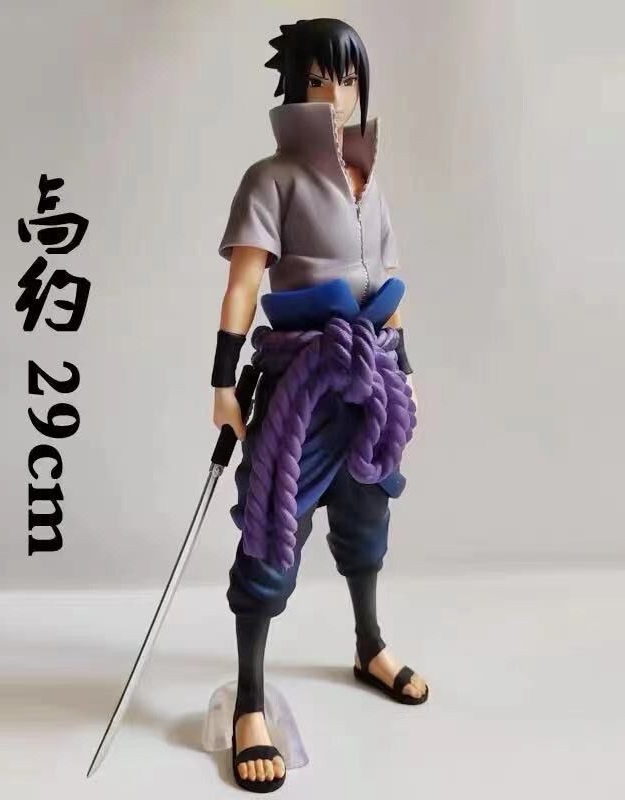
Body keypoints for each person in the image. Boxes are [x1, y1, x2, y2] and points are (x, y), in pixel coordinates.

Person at [211, 18, 429, 792]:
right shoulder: (271, 178)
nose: (335, 95)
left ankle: (369, 644)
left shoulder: (372, 183)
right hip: (302, 383)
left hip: (369, 383)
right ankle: (250, 701)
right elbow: (244, 282)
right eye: (318, 81)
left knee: (368, 522)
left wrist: (404, 368)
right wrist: (223, 380)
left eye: (348, 80)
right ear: (296, 87)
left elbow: (390, 285)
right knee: (272, 535)